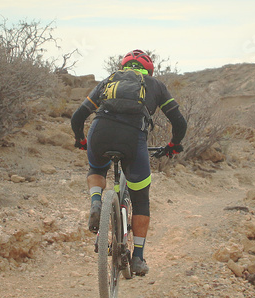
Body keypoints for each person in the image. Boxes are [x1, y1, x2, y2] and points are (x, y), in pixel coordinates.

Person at [71, 49, 187, 276]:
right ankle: (138, 258)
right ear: (149, 70)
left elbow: (77, 117)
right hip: (132, 139)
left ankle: (96, 202)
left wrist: (81, 139)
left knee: (96, 167)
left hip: (100, 131)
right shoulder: (155, 85)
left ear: (124, 67)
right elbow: (179, 122)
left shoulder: (109, 80)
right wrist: (174, 145)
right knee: (141, 200)